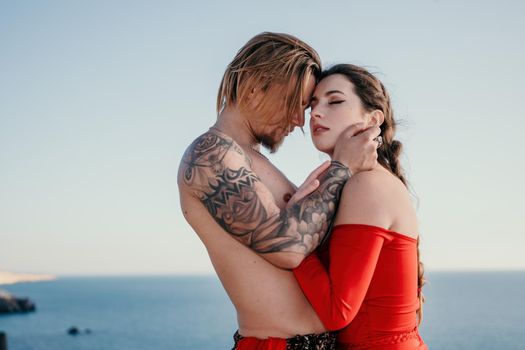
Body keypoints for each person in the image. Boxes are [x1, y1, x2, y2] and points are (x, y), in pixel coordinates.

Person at [178, 32, 381, 349]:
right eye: (294, 104)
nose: (300, 120)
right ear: (254, 86)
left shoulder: (249, 159)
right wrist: (343, 168)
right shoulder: (211, 154)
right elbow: (286, 249)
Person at [292, 64, 427, 349]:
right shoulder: (363, 183)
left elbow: (336, 311)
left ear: (373, 119)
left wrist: (293, 233)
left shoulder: (367, 186)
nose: (316, 112)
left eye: (335, 101)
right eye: (313, 104)